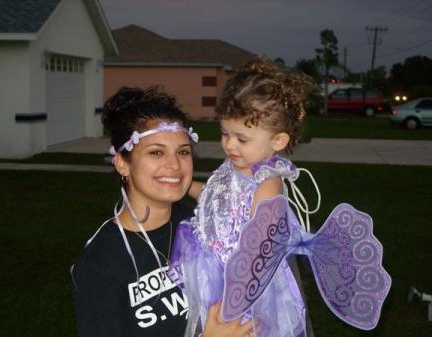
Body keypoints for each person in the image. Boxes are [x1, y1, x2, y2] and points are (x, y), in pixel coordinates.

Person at [71, 86, 254, 337]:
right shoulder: (101, 264)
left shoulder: (203, 224)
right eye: (156, 152)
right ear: (123, 163)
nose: (175, 165)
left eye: (183, 152)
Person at [171, 57, 315, 337]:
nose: (229, 144)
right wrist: (187, 186)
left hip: (240, 280)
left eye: (241, 138)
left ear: (278, 141)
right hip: (212, 266)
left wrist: (238, 296)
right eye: (225, 133)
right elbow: (217, 197)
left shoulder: (267, 183)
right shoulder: (233, 166)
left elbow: (261, 246)